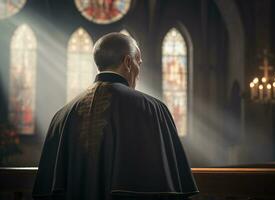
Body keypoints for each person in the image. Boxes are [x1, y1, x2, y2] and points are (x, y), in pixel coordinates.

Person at [32, 33, 199, 200]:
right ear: (128, 62)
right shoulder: (153, 109)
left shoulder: (62, 116)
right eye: (138, 63)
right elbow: (168, 188)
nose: (138, 71)